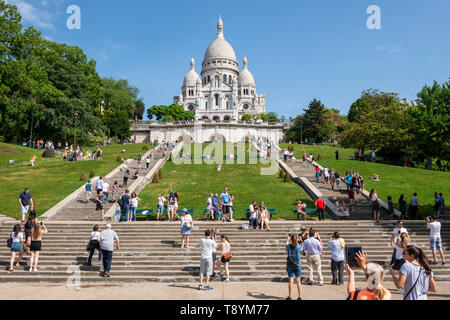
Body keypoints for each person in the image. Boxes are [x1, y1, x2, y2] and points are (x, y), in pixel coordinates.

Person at [285, 234, 302, 300]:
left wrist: (288, 238)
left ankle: (290, 296)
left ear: (291, 239)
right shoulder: (299, 246)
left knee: (290, 281)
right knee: (298, 281)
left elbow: (286, 244)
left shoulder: (288, 246)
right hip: (298, 264)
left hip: (290, 265)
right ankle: (299, 296)